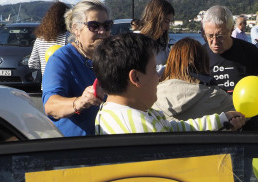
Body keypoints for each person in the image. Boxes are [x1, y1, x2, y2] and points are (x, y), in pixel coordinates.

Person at [93, 32, 245, 134]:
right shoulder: (139, 130)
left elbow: (177, 128)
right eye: (154, 70)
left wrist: (222, 118)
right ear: (136, 78)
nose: (159, 77)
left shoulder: (115, 112)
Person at [42, 0, 109, 137]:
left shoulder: (111, 56)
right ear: (76, 29)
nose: (102, 31)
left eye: (107, 25)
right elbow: (50, 106)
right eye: (94, 26)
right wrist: (81, 101)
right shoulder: (61, 59)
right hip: (75, 147)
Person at [203, 5, 258, 131]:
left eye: (220, 36)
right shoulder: (199, 55)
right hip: (213, 129)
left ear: (231, 30)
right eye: (210, 36)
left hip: (247, 126)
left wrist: (244, 117)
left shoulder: (249, 51)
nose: (214, 42)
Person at [153, 38, 234, 120]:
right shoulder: (216, 96)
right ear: (204, 61)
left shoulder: (154, 94)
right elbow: (241, 111)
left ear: (171, 61)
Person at [28, 1, 70, 77]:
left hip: (46, 84)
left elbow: (32, 63)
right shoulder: (68, 37)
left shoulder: (40, 38)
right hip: (65, 82)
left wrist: (45, 67)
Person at [137, 0, 174, 74]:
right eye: (166, 21)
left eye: (169, 22)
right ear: (155, 20)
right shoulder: (135, 44)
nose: (167, 27)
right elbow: (143, 72)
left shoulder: (163, 47)